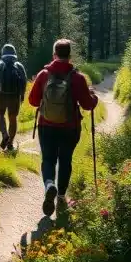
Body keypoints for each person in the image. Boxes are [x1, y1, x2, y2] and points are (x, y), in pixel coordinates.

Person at [27, 39, 99, 216]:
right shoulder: (78, 78)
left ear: (54, 54)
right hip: (70, 127)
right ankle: (60, 196)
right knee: (65, 160)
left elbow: (33, 101)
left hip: (46, 126)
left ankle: (49, 183)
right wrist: (93, 96)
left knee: (48, 160)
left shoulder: (44, 75)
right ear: (69, 56)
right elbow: (88, 105)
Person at [0, 44, 28, 151]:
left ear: (2, 53)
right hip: (14, 96)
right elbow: (24, 82)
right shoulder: (19, 65)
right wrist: (22, 95)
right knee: (13, 117)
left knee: (0, 114)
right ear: (14, 53)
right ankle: (10, 143)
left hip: (0, 95)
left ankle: (5, 135)